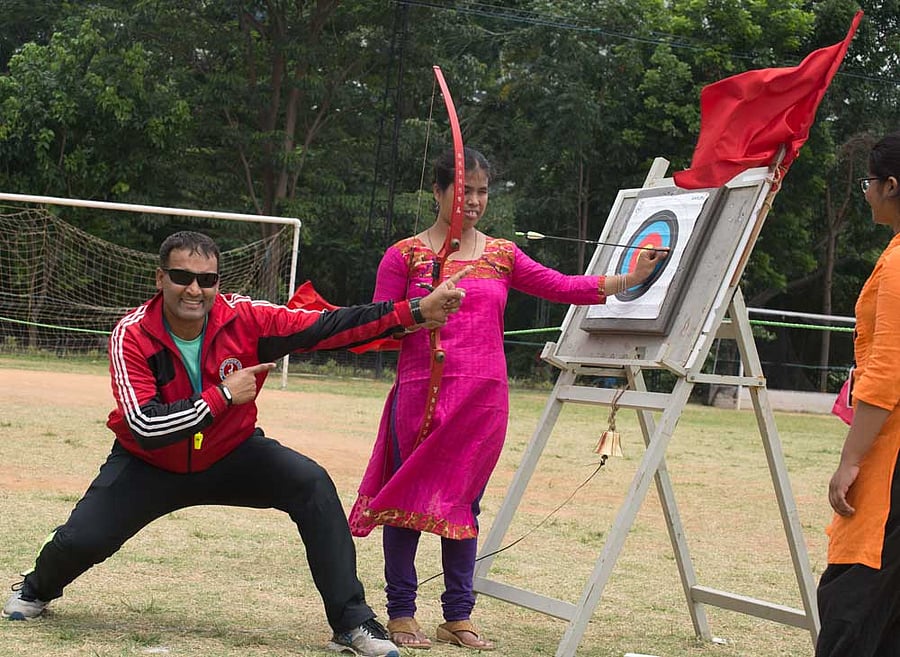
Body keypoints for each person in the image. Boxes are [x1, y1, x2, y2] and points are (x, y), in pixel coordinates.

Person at [2, 230, 470, 657]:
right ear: (160, 278)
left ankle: (352, 623)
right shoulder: (132, 334)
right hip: (150, 462)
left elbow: (327, 327)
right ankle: (36, 589)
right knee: (83, 539)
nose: (194, 290)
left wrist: (414, 311)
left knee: (311, 484)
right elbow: (145, 425)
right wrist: (223, 396)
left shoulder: (247, 318)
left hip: (231, 452)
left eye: (206, 280)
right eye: (182, 277)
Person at [346, 147, 667, 650]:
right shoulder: (404, 255)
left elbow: (563, 286)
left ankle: (457, 614)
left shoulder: (502, 254)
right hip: (419, 395)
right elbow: (374, 323)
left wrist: (631, 277)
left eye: (481, 192)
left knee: (464, 505)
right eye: (463, 190)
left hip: (483, 402)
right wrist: (421, 310)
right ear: (437, 191)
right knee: (406, 501)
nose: (473, 201)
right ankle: (402, 613)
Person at [816, 130, 900, 657]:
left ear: (892, 185)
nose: (865, 192)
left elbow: (888, 372)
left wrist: (850, 460)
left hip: (891, 460)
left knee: (855, 602)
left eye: (869, 183)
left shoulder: (896, 265)